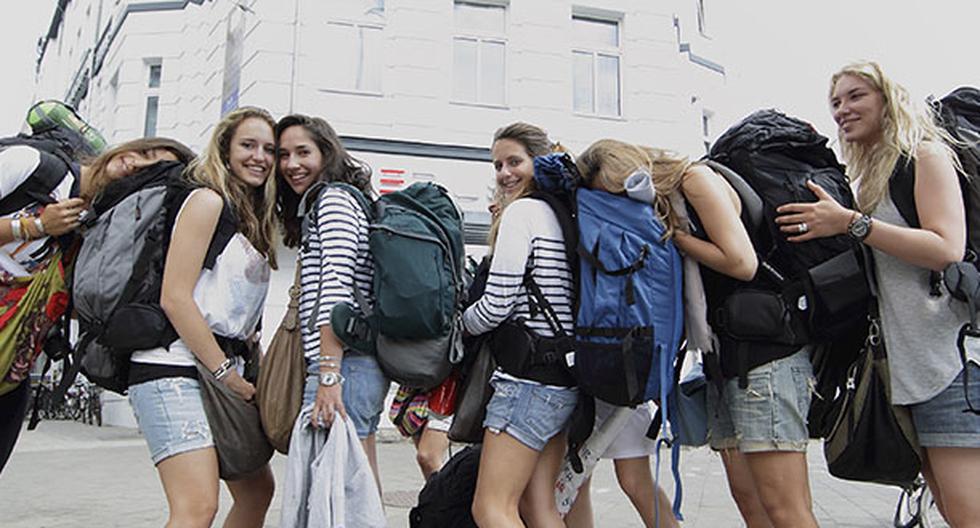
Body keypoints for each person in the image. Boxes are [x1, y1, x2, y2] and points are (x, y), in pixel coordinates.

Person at [776, 60, 980, 527]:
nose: (842, 109)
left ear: (888, 98)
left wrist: (852, 224)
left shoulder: (924, 154)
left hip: (952, 364)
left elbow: (947, 247)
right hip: (911, 369)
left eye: (856, 96)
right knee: (953, 510)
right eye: (835, 102)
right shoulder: (870, 179)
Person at [573, 139, 783, 527]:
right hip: (725, 350)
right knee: (749, 496)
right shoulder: (666, 205)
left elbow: (742, 262)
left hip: (767, 343)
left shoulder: (695, 179)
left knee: (778, 503)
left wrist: (670, 237)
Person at [127, 107, 279, 527]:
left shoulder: (250, 218)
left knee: (257, 491)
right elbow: (175, 298)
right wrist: (226, 372)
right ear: (226, 149)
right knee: (196, 507)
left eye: (269, 149)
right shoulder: (206, 201)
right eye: (248, 145)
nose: (260, 157)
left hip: (212, 368)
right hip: (170, 368)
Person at [466, 122, 579, 528]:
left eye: (515, 161)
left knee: (492, 508)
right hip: (562, 379)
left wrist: (462, 324)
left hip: (527, 383)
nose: (504, 173)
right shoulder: (563, 213)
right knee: (538, 506)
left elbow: (497, 305)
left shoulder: (524, 213)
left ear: (540, 161)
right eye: (497, 164)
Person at [274, 113, 389, 491]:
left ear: (326, 152)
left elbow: (336, 289)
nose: (292, 164)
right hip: (352, 365)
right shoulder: (339, 201)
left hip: (344, 366)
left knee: (332, 497)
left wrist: (327, 375)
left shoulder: (334, 201)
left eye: (303, 152)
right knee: (357, 494)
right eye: (284, 154)